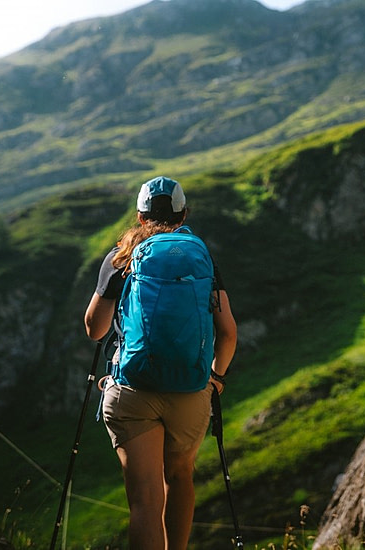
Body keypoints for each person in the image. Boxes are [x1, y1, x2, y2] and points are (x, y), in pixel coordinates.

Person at [84, 176, 238, 549]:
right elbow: (228, 333)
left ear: (140, 216)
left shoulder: (120, 257)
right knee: (180, 475)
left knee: (145, 503)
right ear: (183, 214)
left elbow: (94, 328)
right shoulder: (200, 256)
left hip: (132, 390)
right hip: (189, 390)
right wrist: (215, 376)